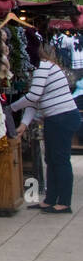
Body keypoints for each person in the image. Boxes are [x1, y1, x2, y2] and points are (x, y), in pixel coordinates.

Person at [9, 42, 81, 214]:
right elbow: (35, 101)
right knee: (52, 159)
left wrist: (11, 108)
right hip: (58, 118)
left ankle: (64, 203)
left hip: (61, 118)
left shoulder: (43, 67)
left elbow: (33, 96)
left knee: (60, 160)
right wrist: (24, 124)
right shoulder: (46, 67)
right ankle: (50, 200)